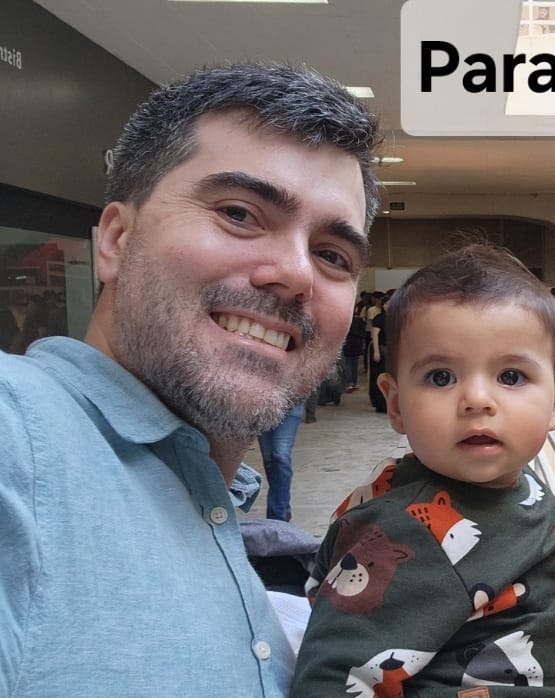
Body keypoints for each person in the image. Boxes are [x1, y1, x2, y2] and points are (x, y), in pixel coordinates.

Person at [0, 63, 379, 697]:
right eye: (239, 213)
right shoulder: (18, 439)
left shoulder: (213, 508)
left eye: (332, 255)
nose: (296, 273)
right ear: (116, 239)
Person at [292, 244, 555, 696]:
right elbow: (331, 678)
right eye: (441, 377)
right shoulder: (404, 531)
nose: (477, 400)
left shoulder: (514, 486)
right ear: (395, 404)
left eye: (510, 377)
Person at [258, 401, 306, 522]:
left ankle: (277, 516)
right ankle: (283, 507)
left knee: (280, 456)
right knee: (269, 460)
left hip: (289, 405)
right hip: (262, 407)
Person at [368, 290, 388, 413]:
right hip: (381, 348)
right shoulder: (379, 318)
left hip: (391, 350)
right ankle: (379, 403)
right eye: (386, 304)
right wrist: (376, 351)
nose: (388, 306)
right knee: (379, 376)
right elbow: (374, 335)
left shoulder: (397, 318)